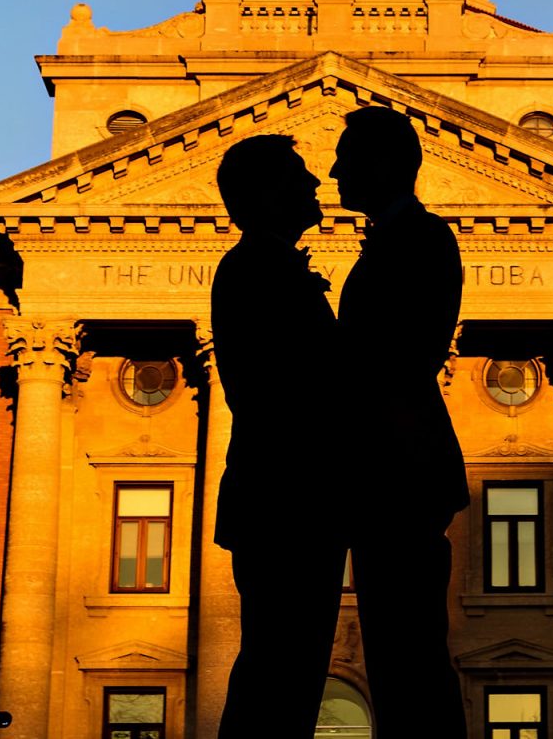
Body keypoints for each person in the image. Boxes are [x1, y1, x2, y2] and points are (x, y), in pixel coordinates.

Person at [331, 105, 468, 738]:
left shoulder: (419, 240)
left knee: (410, 657)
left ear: (385, 164)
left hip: (397, 470)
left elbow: (396, 357)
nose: (334, 171)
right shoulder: (396, 239)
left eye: (347, 158)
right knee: (403, 656)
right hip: (390, 469)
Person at [210, 134, 346, 737]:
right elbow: (296, 391)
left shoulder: (264, 266)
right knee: (280, 674)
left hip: (281, 499)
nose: (315, 184)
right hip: (289, 500)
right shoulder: (259, 270)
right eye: (299, 176)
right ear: (263, 196)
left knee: (280, 670)